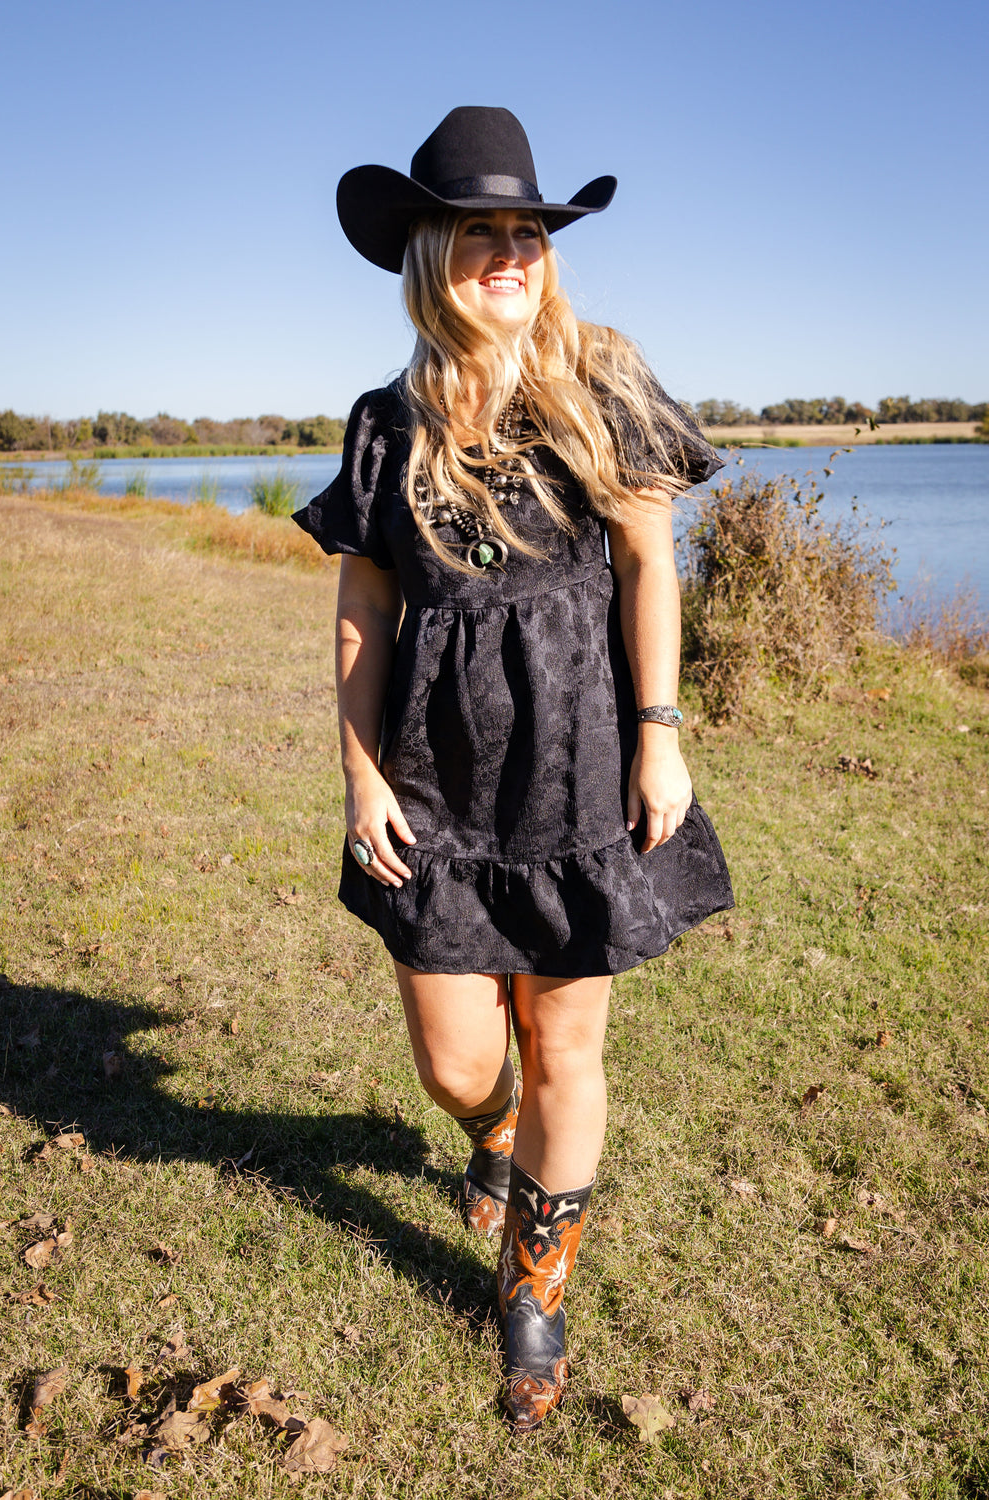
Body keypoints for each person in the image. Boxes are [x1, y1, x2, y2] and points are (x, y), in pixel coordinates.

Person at [294, 106, 733, 1432]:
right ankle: (492, 1137)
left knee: (571, 1043)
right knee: (453, 1052)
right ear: (430, 250)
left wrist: (662, 735)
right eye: (478, 228)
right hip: (430, 773)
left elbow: (652, 565)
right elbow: (366, 609)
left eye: (526, 230)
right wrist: (361, 772)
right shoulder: (389, 419)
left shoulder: (606, 380)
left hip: (583, 760)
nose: (507, 250)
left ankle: (533, 1289)